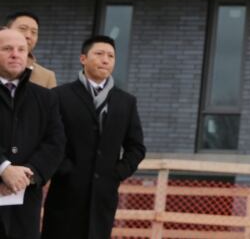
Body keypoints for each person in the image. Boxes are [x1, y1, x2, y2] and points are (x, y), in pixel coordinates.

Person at [41, 35, 146, 239]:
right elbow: (48, 139)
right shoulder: (59, 96)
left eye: (111, 56)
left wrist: (117, 172)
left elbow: (136, 147)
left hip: (104, 196)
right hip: (65, 192)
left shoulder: (126, 102)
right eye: (99, 54)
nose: (105, 60)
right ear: (83, 58)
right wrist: (65, 170)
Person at [0, 29, 65, 239]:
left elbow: (55, 143)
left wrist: (27, 174)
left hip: (25, 202)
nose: (15, 54)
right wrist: (3, 168)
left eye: (21, 50)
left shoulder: (45, 98)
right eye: (7, 49)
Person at [5, 12, 57, 89]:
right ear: (5, 31)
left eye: (34, 32)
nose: (28, 35)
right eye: (22, 29)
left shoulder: (46, 77)